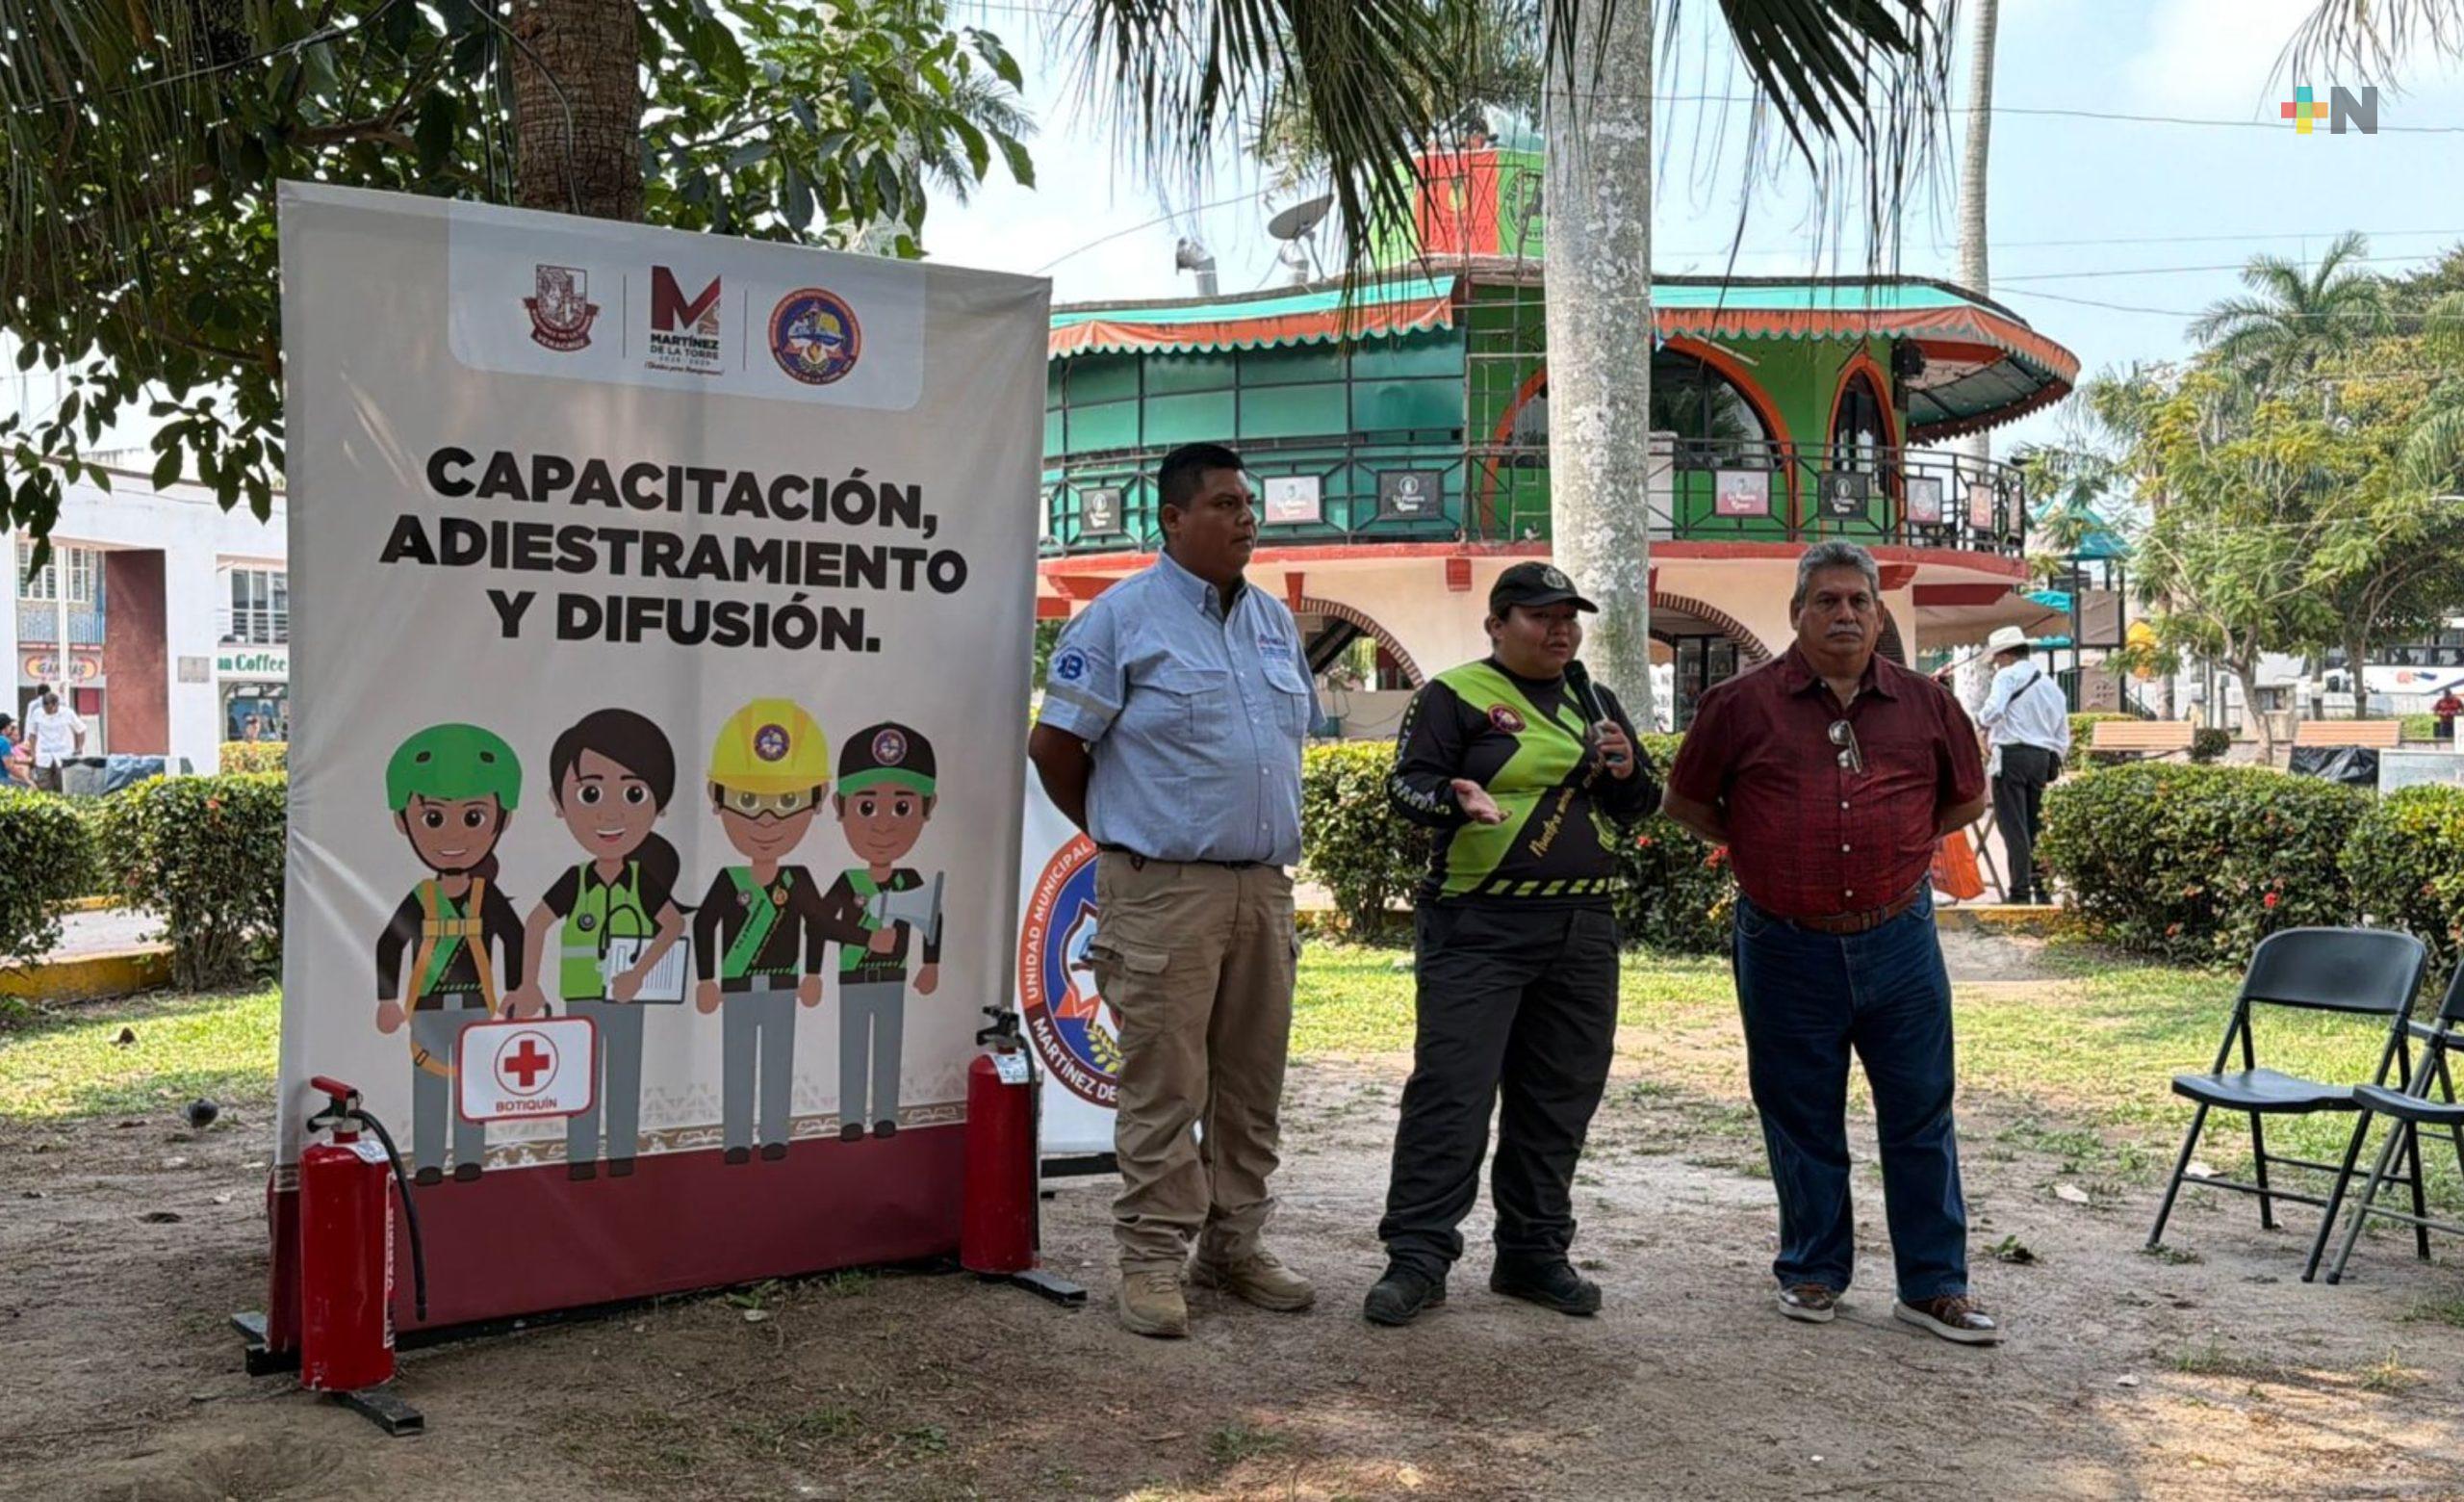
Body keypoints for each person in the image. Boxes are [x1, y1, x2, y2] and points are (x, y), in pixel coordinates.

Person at [1663, 541, 2001, 1346]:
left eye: (1858, 602)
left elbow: (1963, 801)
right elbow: (1689, 803)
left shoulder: (1928, 705)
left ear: (1879, 616)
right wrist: (1763, 847)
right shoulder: (1737, 706)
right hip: (1783, 944)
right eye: (1827, 601)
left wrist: (1898, 851)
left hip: (1900, 942)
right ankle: (1813, 1269)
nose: (1844, 614)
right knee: (1800, 1114)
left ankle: (1933, 1287)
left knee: (1920, 1112)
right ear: (1796, 614)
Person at [1028, 441, 1318, 1339]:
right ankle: (1151, 1259)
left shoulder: (1273, 622)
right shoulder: (1118, 621)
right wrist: (1125, 835)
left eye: (1249, 504)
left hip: (1262, 891)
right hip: (1163, 892)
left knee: (1251, 1083)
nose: (1246, 519)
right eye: (1226, 504)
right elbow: (1055, 748)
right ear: (1173, 518)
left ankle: (1233, 1246)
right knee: (1165, 1083)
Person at [1364, 562, 1660, 1327]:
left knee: (1558, 1098)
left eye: (1569, 618)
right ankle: (1418, 1258)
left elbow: (1640, 804)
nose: (1560, 630)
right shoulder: (1455, 695)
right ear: (1497, 625)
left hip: (1582, 927)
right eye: (1540, 616)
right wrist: (1452, 797)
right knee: (1453, 1094)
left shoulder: (1596, 699)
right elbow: (1406, 785)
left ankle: (1532, 1253)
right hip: (1478, 927)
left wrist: (1627, 770)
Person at [502, 709, 691, 1180]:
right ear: (559, 802)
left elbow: (672, 927)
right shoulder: (576, 880)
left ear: (659, 806)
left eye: (633, 794)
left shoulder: (641, 882)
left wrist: (637, 974)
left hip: (626, 998)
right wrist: (528, 985)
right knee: (580, 1078)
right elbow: (537, 923)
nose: (610, 814)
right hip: (581, 996)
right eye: (590, 794)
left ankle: (623, 1156)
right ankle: (581, 1158)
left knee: (624, 1077)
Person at [372, 724, 526, 1186]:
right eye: (434, 818)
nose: (453, 834)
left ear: (502, 820)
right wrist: (386, 999)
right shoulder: (422, 898)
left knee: (474, 1086)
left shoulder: (486, 896)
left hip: (477, 1006)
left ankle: (470, 1159)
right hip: (428, 1008)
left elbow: (514, 937)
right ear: (403, 821)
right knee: (429, 1084)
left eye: (474, 817)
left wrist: (517, 990)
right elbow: (389, 943)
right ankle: (428, 1163)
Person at [692, 700, 832, 1164]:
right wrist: (706, 979)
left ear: (817, 800)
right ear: (718, 799)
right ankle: (735, 1139)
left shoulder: (798, 880)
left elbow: (817, 925)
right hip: (736, 986)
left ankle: (774, 1135)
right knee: (737, 1060)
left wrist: (814, 973)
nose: (766, 821)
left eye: (787, 803)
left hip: (782, 985)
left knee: (777, 1060)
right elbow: (704, 923)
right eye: (748, 802)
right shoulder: (730, 880)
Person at [819, 723, 943, 1141]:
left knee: (889, 1045)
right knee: (853, 1045)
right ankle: (852, 1117)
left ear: (928, 807)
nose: (884, 826)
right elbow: (821, 923)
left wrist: (930, 964)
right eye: (868, 807)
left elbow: (933, 917)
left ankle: (887, 1114)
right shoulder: (848, 881)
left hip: (892, 977)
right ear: (840, 807)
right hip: (853, 977)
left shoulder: (909, 881)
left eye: (902, 808)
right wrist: (862, 941)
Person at [1976, 626, 2070, 906]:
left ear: (2005, 655)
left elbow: (1993, 711)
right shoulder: (2051, 686)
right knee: (2035, 825)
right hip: (2041, 759)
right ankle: (2042, 890)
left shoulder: (2007, 675)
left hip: (2012, 756)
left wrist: (1979, 721)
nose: (1996, 665)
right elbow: (2062, 733)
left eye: (1996, 659)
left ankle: (2019, 891)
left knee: (2013, 825)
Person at [24, 688, 85, 792]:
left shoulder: (68, 713)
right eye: (46, 709)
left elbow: (81, 730)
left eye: (51, 708)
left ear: (56, 704)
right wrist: (33, 753)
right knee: (43, 786)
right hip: (43, 755)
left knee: (62, 785)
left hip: (64, 754)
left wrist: (79, 747)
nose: (48, 711)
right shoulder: (37, 714)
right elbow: (32, 734)